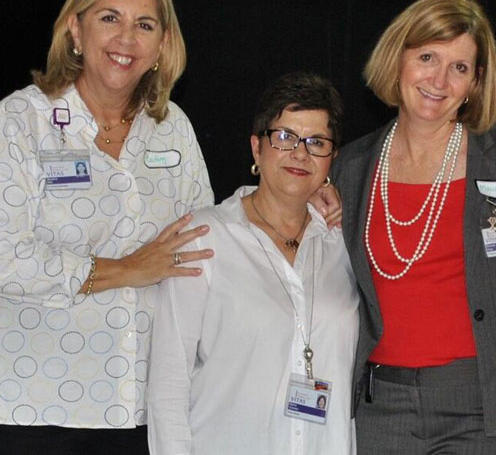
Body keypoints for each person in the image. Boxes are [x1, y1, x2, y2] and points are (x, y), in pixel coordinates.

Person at [0, 0, 218, 453]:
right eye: (109, 18)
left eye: (144, 24)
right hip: (23, 405)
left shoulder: (173, 127)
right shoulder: (19, 121)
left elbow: (203, 242)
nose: (126, 39)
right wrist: (127, 269)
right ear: (75, 29)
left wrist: (297, 199)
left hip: (136, 407)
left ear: (162, 44)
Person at [330, 0, 496, 453]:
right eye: (427, 57)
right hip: (378, 404)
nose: (439, 80)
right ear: (398, 59)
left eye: (460, 67)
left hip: (481, 403)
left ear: (475, 82)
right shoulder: (349, 167)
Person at [148, 72, 358, 454]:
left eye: (317, 142)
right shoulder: (205, 236)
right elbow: (168, 380)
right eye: (284, 137)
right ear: (256, 148)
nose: (300, 153)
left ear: (332, 158)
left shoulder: (345, 244)